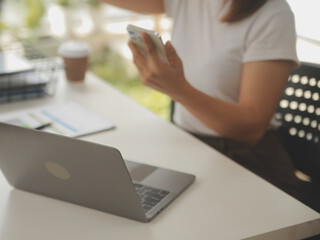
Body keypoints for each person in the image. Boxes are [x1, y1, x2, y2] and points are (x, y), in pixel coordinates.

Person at [100, 0, 299, 197]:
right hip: (189, 147)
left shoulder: (273, 14)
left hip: (248, 162)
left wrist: (179, 90)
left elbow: (251, 128)